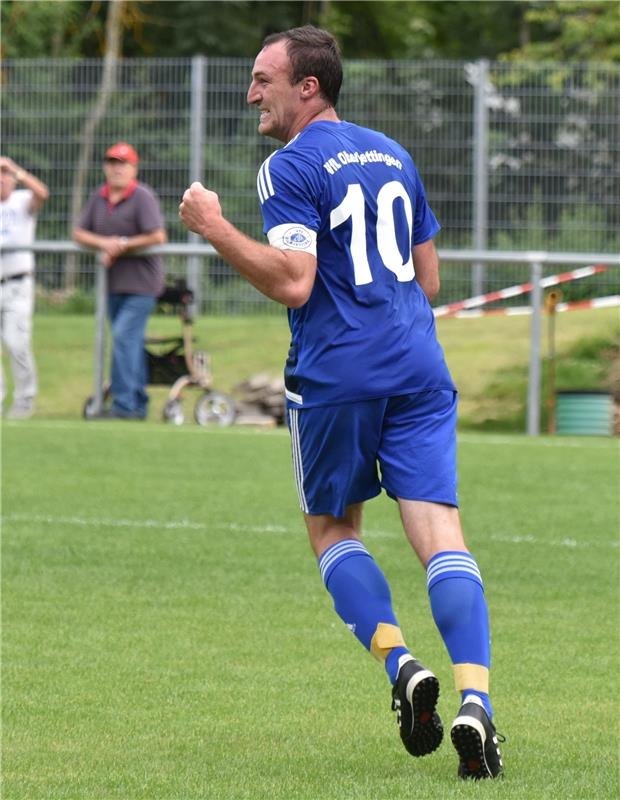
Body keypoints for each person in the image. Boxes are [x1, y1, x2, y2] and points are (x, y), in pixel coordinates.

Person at [179, 26, 504, 780]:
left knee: (331, 529)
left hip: (337, 373)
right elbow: (428, 283)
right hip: (418, 364)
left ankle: (400, 665)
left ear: (308, 88)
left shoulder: (287, 167)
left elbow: (294, 280)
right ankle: (476, 703)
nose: (251, 92)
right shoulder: (393, 153)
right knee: (441, 536)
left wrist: (213, 227)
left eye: (264, 79)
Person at [73, 142, 167, 419]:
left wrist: (122, 244)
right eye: (112, 162)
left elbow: (157, 236)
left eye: (122, 163)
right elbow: (79, 233)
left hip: (142, 284)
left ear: (133, 168)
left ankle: (124, 406)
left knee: (123, 338)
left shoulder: (142, 196)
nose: (116, 168)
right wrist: (105, 243)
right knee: (130, 343)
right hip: (113, 284)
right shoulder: (98, 197)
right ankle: (137, 403)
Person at [0, 156, 50, 419]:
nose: (1, 178)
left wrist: (16, 170)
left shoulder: (21, 201)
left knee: (16, 343)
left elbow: (42, 193)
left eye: (3, 174)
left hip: (16, 283)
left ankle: (24, 402)